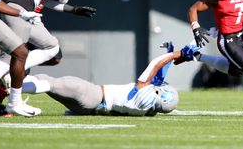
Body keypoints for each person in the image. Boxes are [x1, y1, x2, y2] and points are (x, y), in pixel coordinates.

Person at [18, 42, 181, 116]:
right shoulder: (149, 108)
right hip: (88, 108)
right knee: (45, 80)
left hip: (92, 94)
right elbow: (157, 79)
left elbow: (153, 66)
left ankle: (12, 86)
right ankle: (15, 83)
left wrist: (176, 54)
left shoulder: (145, 93)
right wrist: (169, 54)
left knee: (49, 83)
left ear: (160, 94)